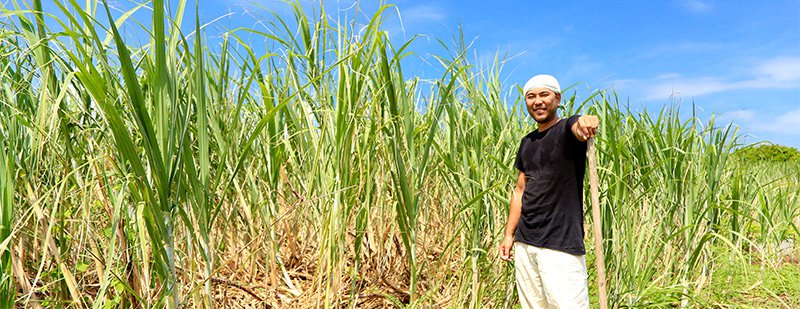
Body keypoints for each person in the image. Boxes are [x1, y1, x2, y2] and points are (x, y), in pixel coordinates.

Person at [499, 74, 599, 308]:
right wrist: (508, 234)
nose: (538, 101)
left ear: (557, 98)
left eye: (544, 95)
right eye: (531, 96)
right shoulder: (527, 142)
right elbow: (520, 189)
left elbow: (578, 125)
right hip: (525, 243)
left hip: (560, 244)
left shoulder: (566, 130)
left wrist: (586, 121)